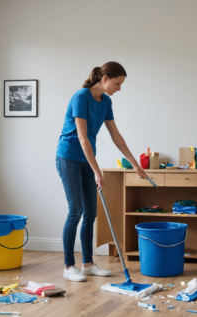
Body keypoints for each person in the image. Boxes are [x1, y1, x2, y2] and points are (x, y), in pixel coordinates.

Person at [56, 61, 147, 282]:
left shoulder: (105, 102)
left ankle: (87, 264)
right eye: (117, 83)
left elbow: (116, 136)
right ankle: (69, 267)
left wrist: (134, 164)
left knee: (91, 214)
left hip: (87, 160)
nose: (119, 89)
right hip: (69, 158)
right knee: (75, 211)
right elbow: (82, 138)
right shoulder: (81, 97)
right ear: (104, 79)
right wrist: (97, 171)